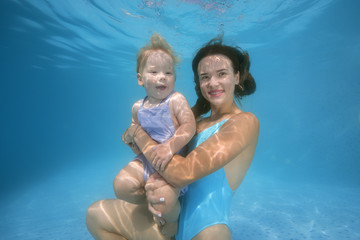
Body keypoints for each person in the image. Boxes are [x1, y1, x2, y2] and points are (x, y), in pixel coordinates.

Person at [86, 36, 259, 240]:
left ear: (237, 77)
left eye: (222, 74)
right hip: (168, 220)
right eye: (205, 77)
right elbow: (156, 138)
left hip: (206, 228)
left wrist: (138, 135)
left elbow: (182, 173)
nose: (213, 83)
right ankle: (163, 215)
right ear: (199, 83)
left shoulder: (244, 121)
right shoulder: (196, 120)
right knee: (95, 215)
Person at [112, 33, 196, 237]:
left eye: (168, 72)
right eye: (154, 71)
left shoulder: (176, 100)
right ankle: (151, 204)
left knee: (165, 201)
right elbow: (134, 131)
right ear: (140, 79)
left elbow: (189, 126)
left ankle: (172, 219)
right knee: (121, 186)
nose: (162, 77)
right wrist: (130, 140)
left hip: (171, 162)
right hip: (145, 160)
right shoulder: (137, 107)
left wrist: (169, 147)